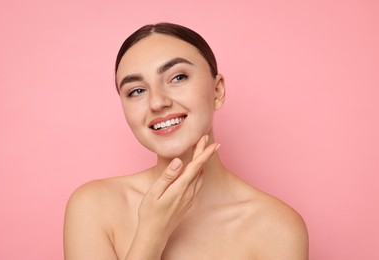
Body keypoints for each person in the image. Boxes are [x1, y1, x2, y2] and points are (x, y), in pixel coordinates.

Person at [63, 22, 309, 260]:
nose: (157, 102)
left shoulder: (277, 227)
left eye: (178, 77)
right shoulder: (93, 207)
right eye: (136, 90)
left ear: (218, 91)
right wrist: (152, 233)